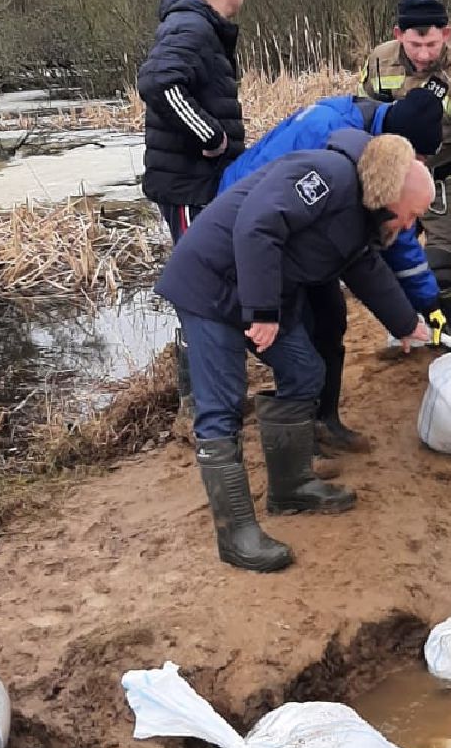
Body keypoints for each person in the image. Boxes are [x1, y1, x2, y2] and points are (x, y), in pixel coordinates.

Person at [155, 131, 434, 573]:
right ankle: (236, 535)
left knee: (305, 371)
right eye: (411, 215)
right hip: (209, 285)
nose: (408, 227)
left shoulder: (364, 213)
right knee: (221, 407)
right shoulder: (326, 177)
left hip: (258, 291)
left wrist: (405, 323)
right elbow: (258, 225)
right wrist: (263, 311)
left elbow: (363, 266)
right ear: (391, 195)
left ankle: (291, 487)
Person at [218, 87, 445, 452]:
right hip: (254, 232)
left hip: (302, 232)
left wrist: (422, 303)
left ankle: (325, 420)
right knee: (298, 334)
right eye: (416, 157)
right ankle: (297, 436)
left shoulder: (374, 143)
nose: (415, 166)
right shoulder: (330, 134)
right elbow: (266, 214)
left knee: (331, 317)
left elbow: (381, 237)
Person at [138, 0, 249, 409]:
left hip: (198, 182)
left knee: (212, 279)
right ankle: (197, 404)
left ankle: (218, 393)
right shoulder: (192, 25)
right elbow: (158, 82)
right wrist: (211, 136)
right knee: (200, 285)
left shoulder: (198, 23)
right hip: (186, 184)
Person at [362, 0, 451, 348]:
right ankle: (405, 326)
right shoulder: (379, 62)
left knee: (449, 267)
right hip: (397, 174)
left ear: (447, 35)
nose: (424, 55)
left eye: (432, 44)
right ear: (398, 36)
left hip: (448, 178)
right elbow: (365, 122)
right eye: (414, 45)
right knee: (389, 253)